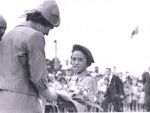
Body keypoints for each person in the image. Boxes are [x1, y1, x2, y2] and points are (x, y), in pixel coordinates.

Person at [0, 0, 61, 113]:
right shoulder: (35, 36)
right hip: (23, 103)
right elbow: (38, 79)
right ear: (43, 21)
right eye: (50, 28)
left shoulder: (7, 36)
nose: (47, 33)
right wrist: (56, 96)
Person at [66, 44, 99, 112]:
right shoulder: (72, 79)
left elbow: (90, 105)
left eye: (80, 60)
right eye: (74, 59)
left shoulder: (90, 80)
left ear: (87, 62)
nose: (76, 63)